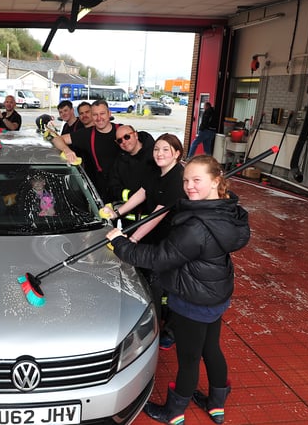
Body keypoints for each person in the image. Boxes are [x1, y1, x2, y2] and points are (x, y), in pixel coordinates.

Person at [106, 155, 250, 425]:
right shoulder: (227, 211)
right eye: (186, 180)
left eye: (197, 180)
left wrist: (121, 244)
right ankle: (216, 406)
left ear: (215, 181)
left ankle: (174, 412)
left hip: (193, 298)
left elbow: (159, 258)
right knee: (211, 349)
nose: (189, 186)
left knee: (189, 358)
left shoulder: (196, 229)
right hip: (216, 294)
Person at [103, 134, 186, 350]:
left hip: (171, 240)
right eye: (157, 149)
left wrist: (131, 240)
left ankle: (165, 331)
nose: (159, 153)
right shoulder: (155, 172)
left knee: (161, 285)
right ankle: (152, 323)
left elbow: (158, 215)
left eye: (166, 150)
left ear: (177, 153)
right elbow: (142, 193)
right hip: (153, 236)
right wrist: (117, 213)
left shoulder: (178, 178)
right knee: (148, 281)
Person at [51, 99, 121, 202]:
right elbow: (57, 139)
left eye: (102, 113)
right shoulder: (86, 134)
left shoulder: (122, 130)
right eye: (95, 115)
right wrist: (67, 150)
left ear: (109, 114)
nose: (99, 118)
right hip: (102, 190)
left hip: (125, 186)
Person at [107, 124, 159, 225]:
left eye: (127, 137)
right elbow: (113, 187)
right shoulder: (119, 161)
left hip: (154, 221)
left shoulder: (155, 156)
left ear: (135, 135)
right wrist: (130, 195)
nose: (124, 142)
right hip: (128, 222)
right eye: (120, 140)